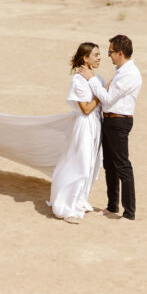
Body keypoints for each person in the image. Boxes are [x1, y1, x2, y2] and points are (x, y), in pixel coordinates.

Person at [79, 34, 142, 221]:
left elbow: (107, 98)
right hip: (110, 120)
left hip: (119, 122)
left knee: (123, 166)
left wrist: (91, 79)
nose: (108, 55)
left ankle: (129, 213)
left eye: (110, 51)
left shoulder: (130, 74)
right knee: (109, 165)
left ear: (120, 53)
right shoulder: (121, 70)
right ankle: (112, 205)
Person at [48, 42, 105, 224]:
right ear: (84, 58)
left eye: (99, 54)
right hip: (84, 125)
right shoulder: (78, 80)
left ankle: (80, 200)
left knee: (91, 165)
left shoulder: (99, 78)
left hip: (97, 125)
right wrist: (100, 93)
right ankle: (67, 208)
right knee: (80, 163)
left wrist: (98, 87)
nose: (99, 58)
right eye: (95, 55)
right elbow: (87, 109)